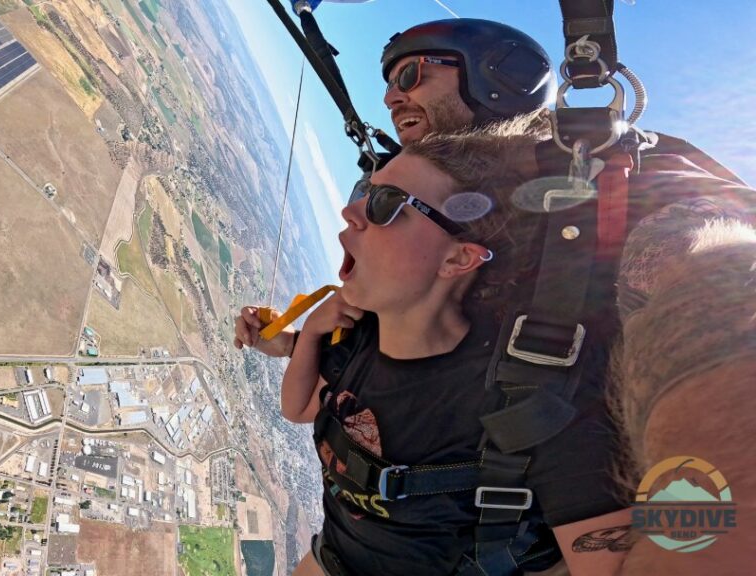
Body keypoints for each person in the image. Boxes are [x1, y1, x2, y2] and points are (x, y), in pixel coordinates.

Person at [235, 17, 755, 576]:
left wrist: (721, 468)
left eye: (411, 73)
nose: (391, 95)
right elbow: (377, 378)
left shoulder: (604, 196)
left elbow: (717, 272)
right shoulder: (417, 231)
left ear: (500, 77)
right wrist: (300, 339)